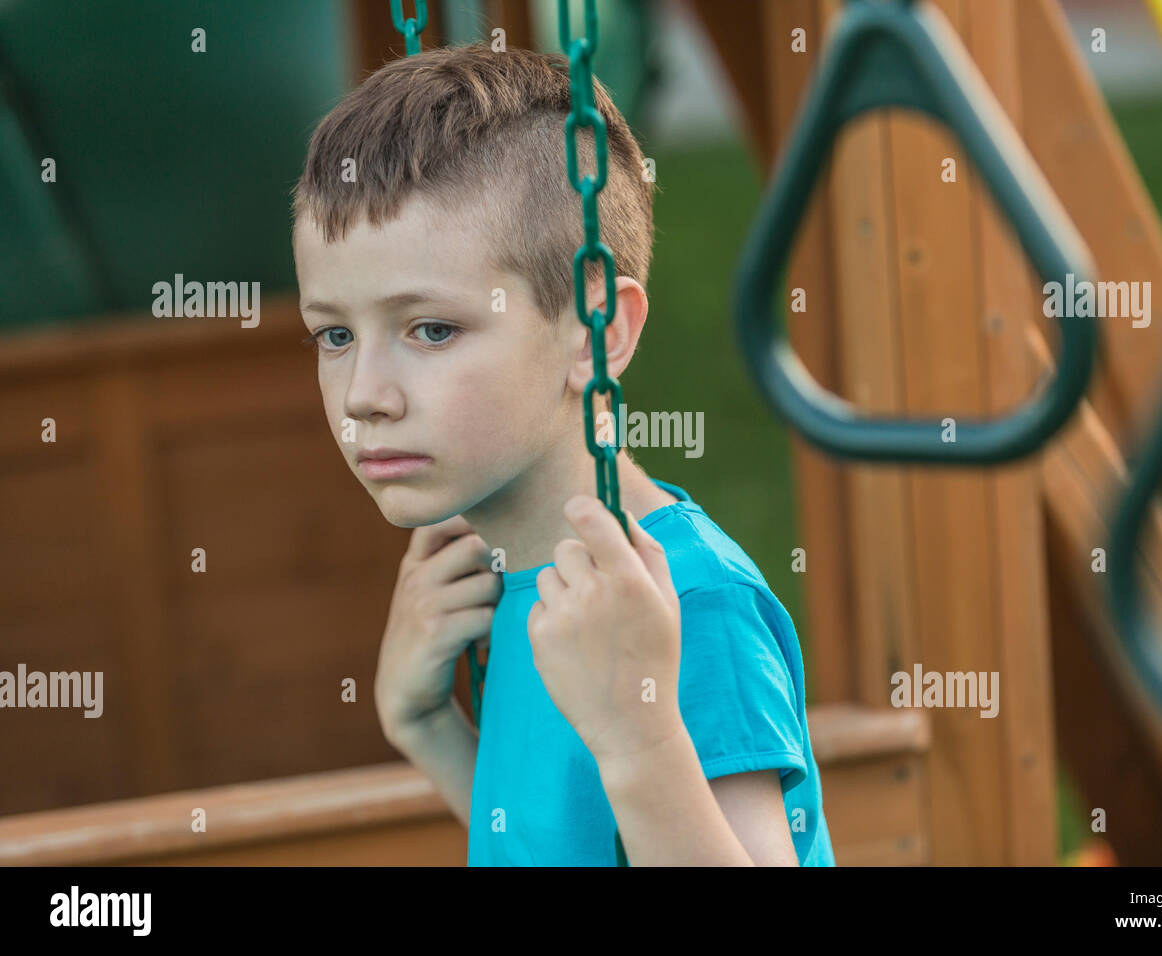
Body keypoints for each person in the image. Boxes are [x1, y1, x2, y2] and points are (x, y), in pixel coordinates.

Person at [290, 42, 833, 866]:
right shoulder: (524, 579)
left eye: (431, 329)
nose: (365, 392)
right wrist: (430, 730)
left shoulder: (685, 603)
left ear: (598, 333)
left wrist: (640, 736)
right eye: (334, 334)